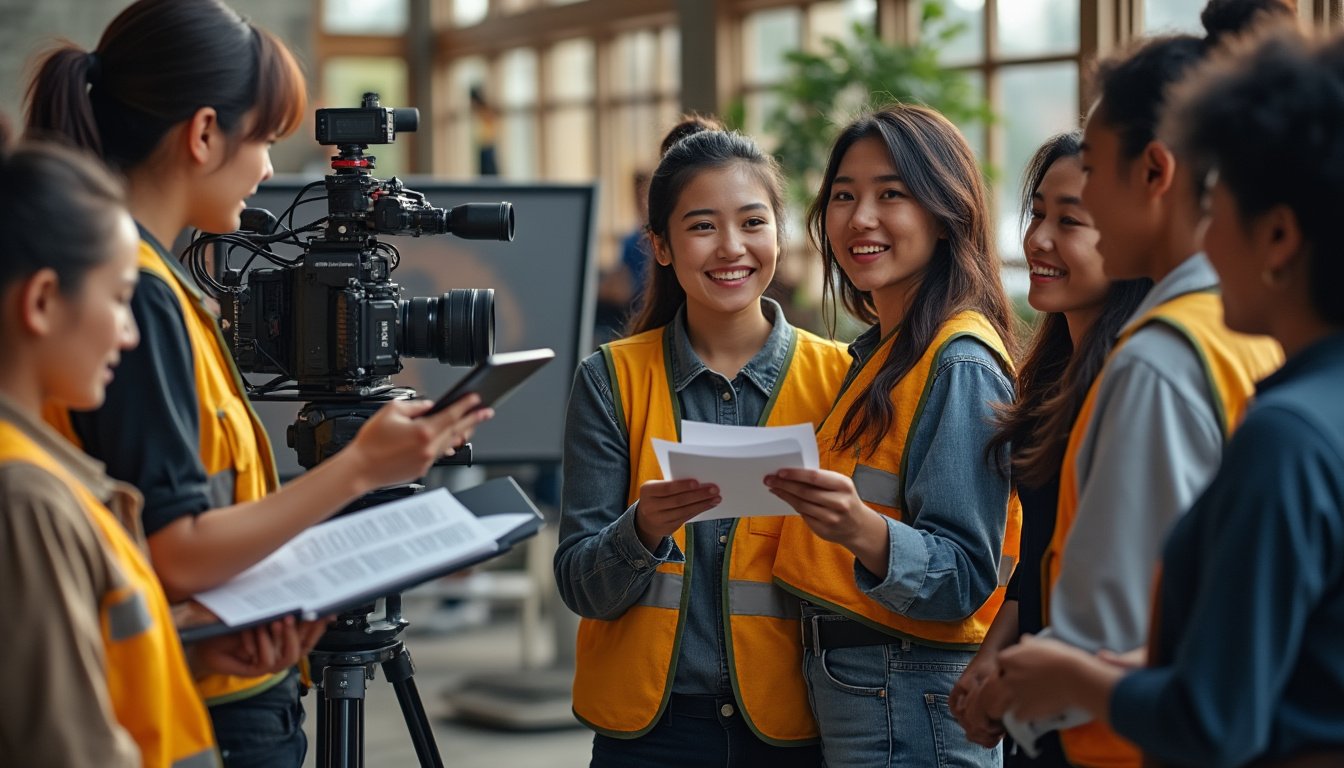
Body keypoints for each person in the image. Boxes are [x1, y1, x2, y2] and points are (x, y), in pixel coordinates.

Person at [23, 1, 493, 765]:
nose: (271, 169)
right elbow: (178, 550)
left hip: (212, 670)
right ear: (205, 134)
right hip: (208, 711)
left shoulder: (156, 284)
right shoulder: (138, 298)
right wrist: (360, 470)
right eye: (266, 139)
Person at [994, 25, 1344, 767]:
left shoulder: (1267, 422)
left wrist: (1070, 676)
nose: (1209, 244)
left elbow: (1218, 716)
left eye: (1225, 211)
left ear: (1279, 235)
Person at [0, 123, 326, 767]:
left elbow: (82, 655)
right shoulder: (28, 498)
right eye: (121, 302)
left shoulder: (51, 476)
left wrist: (184, 646)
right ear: (42, 302)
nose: (129, 335)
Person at [555, 116, 851, 767]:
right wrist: (641, 530)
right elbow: (580, 584)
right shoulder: (611, 380)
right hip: (653, 736)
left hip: (795, 726)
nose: (731, 247)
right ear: (659, 244)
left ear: (779, 233)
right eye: (701, 226)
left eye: (752, 222)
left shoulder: (841, 380)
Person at [763, 104, 1020, 768]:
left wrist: (858, 529)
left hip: (909, 695)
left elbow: (965, 573)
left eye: (891, 195)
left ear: (944, 213)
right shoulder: (885, 354)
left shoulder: (958, 362)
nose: (859, 218)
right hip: (870, 689)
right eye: (844, 196)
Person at [947, 131, 1152, 765]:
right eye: (1037, 213)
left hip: (1102, 710)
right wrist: (991, 657)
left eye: (1071, 220)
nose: (1038, 238)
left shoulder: (1137, 384)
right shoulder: (1052, 374)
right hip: (1039, 703)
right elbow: (1041, 552)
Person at [593, 169, 653, 345]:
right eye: (638, 198)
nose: (641, 204)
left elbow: (622, 290)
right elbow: (621, 284)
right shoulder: (631, 240)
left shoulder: (648, 240)